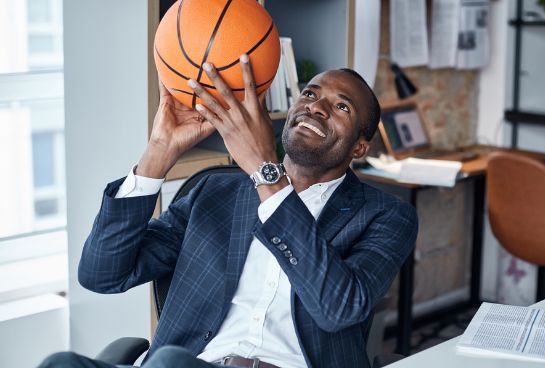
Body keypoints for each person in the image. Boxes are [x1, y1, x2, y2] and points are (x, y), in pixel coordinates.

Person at [40, 54, 418, 368]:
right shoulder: (214, 191)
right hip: (190, 361)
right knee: (62, 363)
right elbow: (101, 274)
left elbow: (338, 308)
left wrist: (264, 173)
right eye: (309, 93)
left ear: (359, 148)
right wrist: (158, 151)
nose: (315, 107)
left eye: (340, 106)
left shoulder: (386, 216)